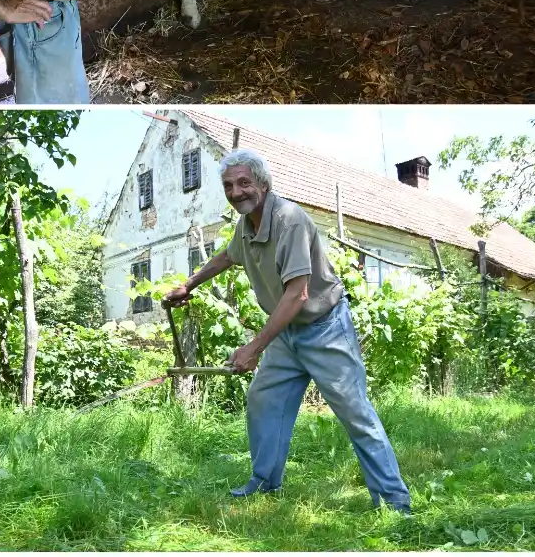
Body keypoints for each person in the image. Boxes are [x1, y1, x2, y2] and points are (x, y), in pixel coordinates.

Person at [164, 149, 413, 513]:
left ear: (263, 185)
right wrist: (191, 284)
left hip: (324, 329)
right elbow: (227, 257)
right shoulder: (245, 227)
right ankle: (264, 482)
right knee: (264, 401)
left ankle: (394, 502)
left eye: (244, 183)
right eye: (229, 185)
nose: (236, 192)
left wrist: (253, 348)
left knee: (355, 413)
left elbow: (298, 294)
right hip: (286, 334)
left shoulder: (289, 220)